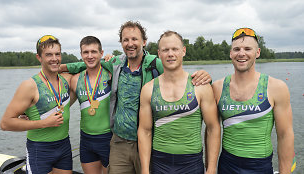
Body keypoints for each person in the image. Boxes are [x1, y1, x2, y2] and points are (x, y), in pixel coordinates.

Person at [64, 21, 211, 174]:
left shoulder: (156, 64)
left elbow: (179, 74)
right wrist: (61, 67)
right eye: (125, 40)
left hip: (148, 142)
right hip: (119, 142)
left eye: (134, 39)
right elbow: (90, 62)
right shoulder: (116, 63)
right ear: (121, 43)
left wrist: (203, 77)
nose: (130, 43)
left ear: (144, 42)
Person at [212, 28, 295, 174]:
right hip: (226, 164)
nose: (241, 53)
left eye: (247, 49)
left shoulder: (276, 87)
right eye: (236, 49)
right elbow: (211, 130)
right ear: (231, 54)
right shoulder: (217, 87)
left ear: (257, 53)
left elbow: (285, 135)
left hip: (259, 166)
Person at [137, 31, 221, 174]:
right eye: (165, 50)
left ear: (183, 51)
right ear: (159, 53)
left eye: (175, 49)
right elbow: (145, 131)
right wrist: (145, 170)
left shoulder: (200, 86)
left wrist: (211, 168)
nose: (170, 54)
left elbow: (213, 128)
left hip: (191, 162)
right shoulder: (148, 89)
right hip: (160, 161)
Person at [0, 35, 75, 174]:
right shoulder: (29, 86)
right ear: (39, 58)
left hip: (64, 146)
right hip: (40, 150)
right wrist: (44, 123)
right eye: (48, 55)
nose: (54, 59)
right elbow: (5, 124)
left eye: (57, 54)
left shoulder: (65, 80)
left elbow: (86, 66)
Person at [70, 36, 112, 174]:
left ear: (101, 53)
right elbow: (62, 105)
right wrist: (30, 113)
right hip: (86, 140)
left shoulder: (111, 75)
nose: (90, 56)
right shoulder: (76, 80)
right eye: (85, 52)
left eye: (94, 52)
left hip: (109, 139)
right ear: (81, 55)